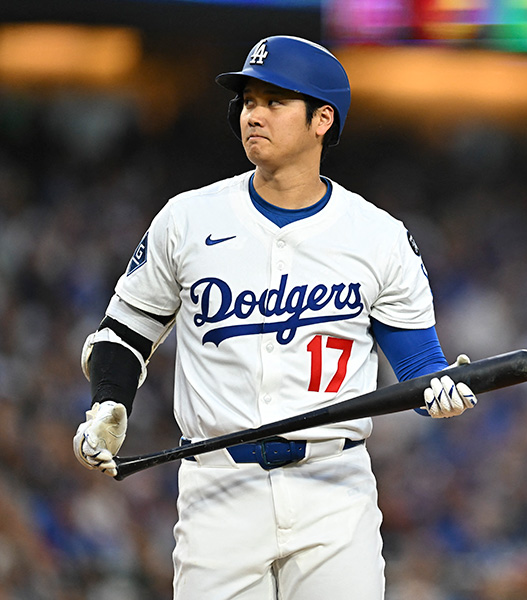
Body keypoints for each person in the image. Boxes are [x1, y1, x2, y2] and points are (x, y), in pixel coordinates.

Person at [72, 35, 477, 600]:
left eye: (274, 101)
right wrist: (109, 401)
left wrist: (440, 389)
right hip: (218, 487)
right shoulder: (187, 219)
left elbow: (419, 368)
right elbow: (123, 332)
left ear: (322, 120)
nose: (252, 114)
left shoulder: (378, 236)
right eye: (247, 101)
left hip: (334, 489)